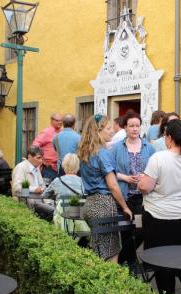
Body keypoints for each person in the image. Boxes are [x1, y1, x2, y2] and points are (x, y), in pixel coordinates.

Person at [138, 119, 181, 294]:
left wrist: (142, 180)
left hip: (159, 216)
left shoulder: (159, 158)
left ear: (169, 138)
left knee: (162, 260)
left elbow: (145, 187)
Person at [78, 114, 132, 263]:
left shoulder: (85, 153)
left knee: (97, 250)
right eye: (108, 128)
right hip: (103, 205)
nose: (112, 131)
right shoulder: (103, 153)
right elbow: (113, 185)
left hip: (89, 205)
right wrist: (125, 206)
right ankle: (109, 285)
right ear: (98, 131)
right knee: (111, 252)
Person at [111, 111, 155, 266]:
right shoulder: (116, 148)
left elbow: (155, 170)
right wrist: (125, 177)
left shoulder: (149, 147)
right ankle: (131, 262)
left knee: (141, 230)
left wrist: (145, 176)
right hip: (123, 196)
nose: (135, 129)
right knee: (125, 231)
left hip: (143, 197)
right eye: (131, 126)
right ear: (125, 127)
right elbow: (110, 171)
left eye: (137, 126)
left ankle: (122, 258)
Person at [42, 153, 89, 236]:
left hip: (60, 220)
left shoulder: (58, 180)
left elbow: (44, 195)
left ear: (64, 165)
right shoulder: (83, 182)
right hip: (78, 220)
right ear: (77, 167)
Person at [33, 113, 63, 181]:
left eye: (61, 120)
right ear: (52, 121)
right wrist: (41, 160)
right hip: (49, 168)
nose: (60, 122)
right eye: (58, 120)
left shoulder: (62, 132)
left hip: (60, 168)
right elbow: (35, 146)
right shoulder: (47, 132)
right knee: (48, 189)